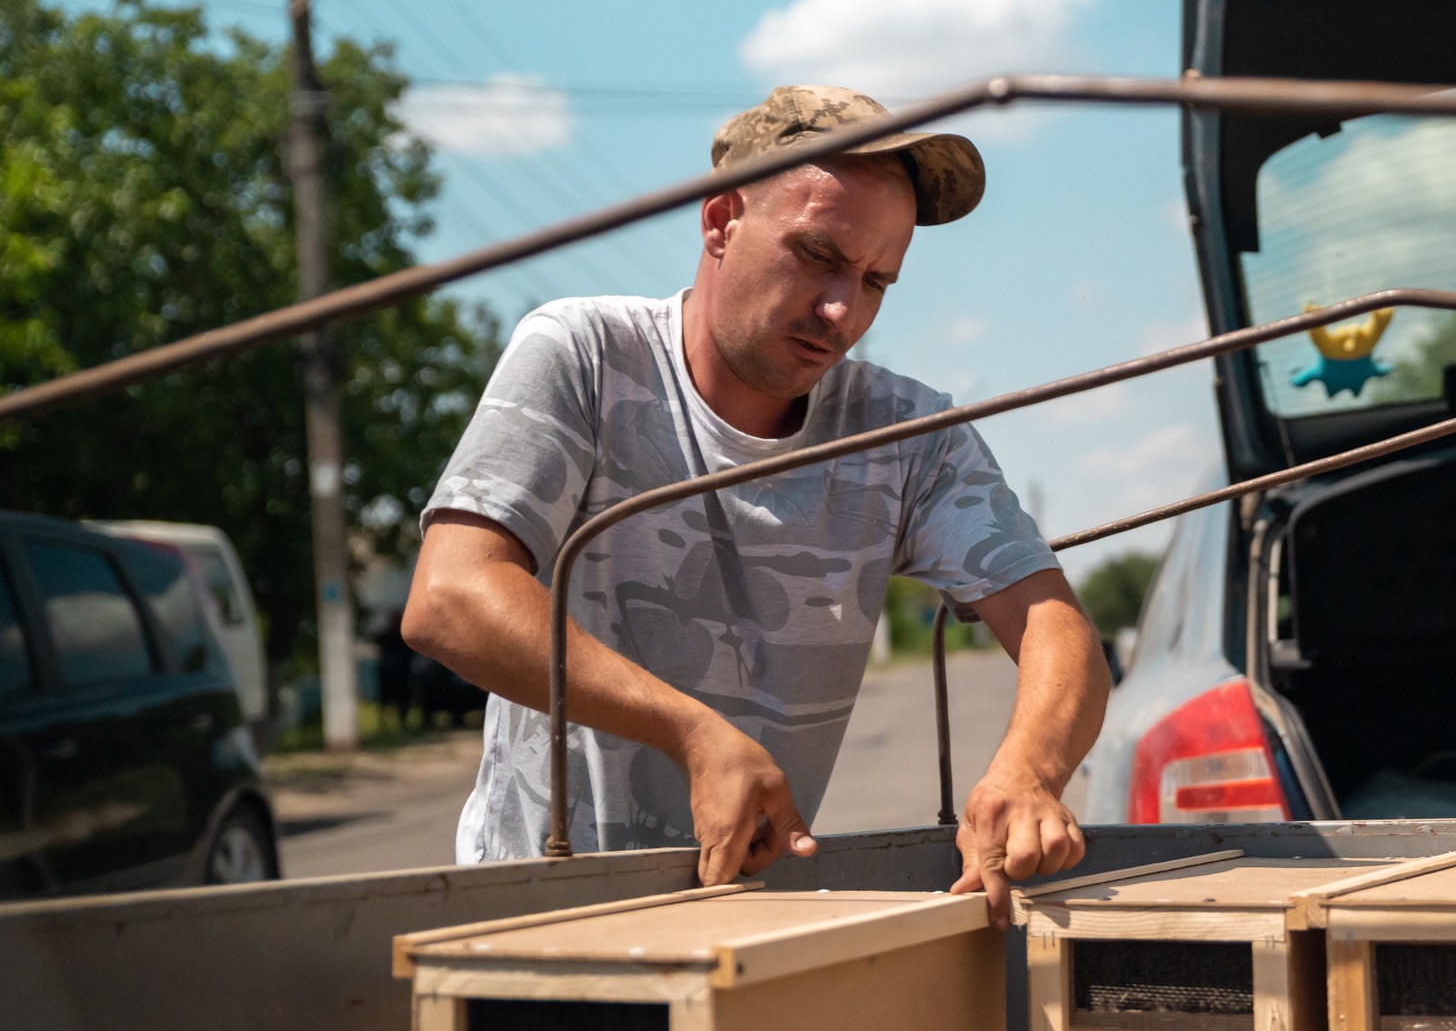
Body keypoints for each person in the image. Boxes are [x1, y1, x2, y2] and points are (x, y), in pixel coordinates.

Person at [402, 85, 1109, 922]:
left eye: (877, 279)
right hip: (543, 908)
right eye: (817, 255)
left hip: (751, 913)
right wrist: (690, 730)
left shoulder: (911, 434)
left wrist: (1028, 771)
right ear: (719, 222)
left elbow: (1056, 628)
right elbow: (449, 597)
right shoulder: (586, 355)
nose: (844, 309)